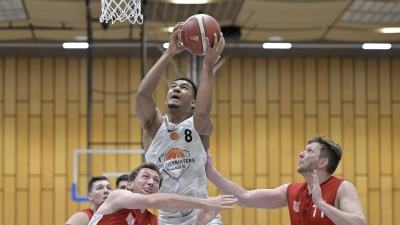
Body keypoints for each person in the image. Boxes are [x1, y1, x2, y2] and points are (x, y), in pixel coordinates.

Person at [135, 22, 225, 225]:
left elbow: (202, 111)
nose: (176, 88)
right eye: (173, 86)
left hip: (202, 212)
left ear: (193, 102)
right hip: (168, 218)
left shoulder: (200, 126)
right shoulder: (154, 125)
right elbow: (142, 96)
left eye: (184, 87)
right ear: (166, 99)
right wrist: (169, 53)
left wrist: (208, 66)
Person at [205, 134, 367, 225]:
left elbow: (359, 224)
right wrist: (210, 171)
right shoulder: (292, 191)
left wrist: (322, 205)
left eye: (309, 151)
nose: (301, 154)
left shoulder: (342, 187)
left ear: (323, 162)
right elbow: (244, 198)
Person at [88, 162, 237, 225]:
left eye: (156, 180)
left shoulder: (153, 221)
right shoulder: (117, 197)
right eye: (145, 176)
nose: (151, 182)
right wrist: (205, 202)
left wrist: (199, 223)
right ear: (130, 184)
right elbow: (153, 201)